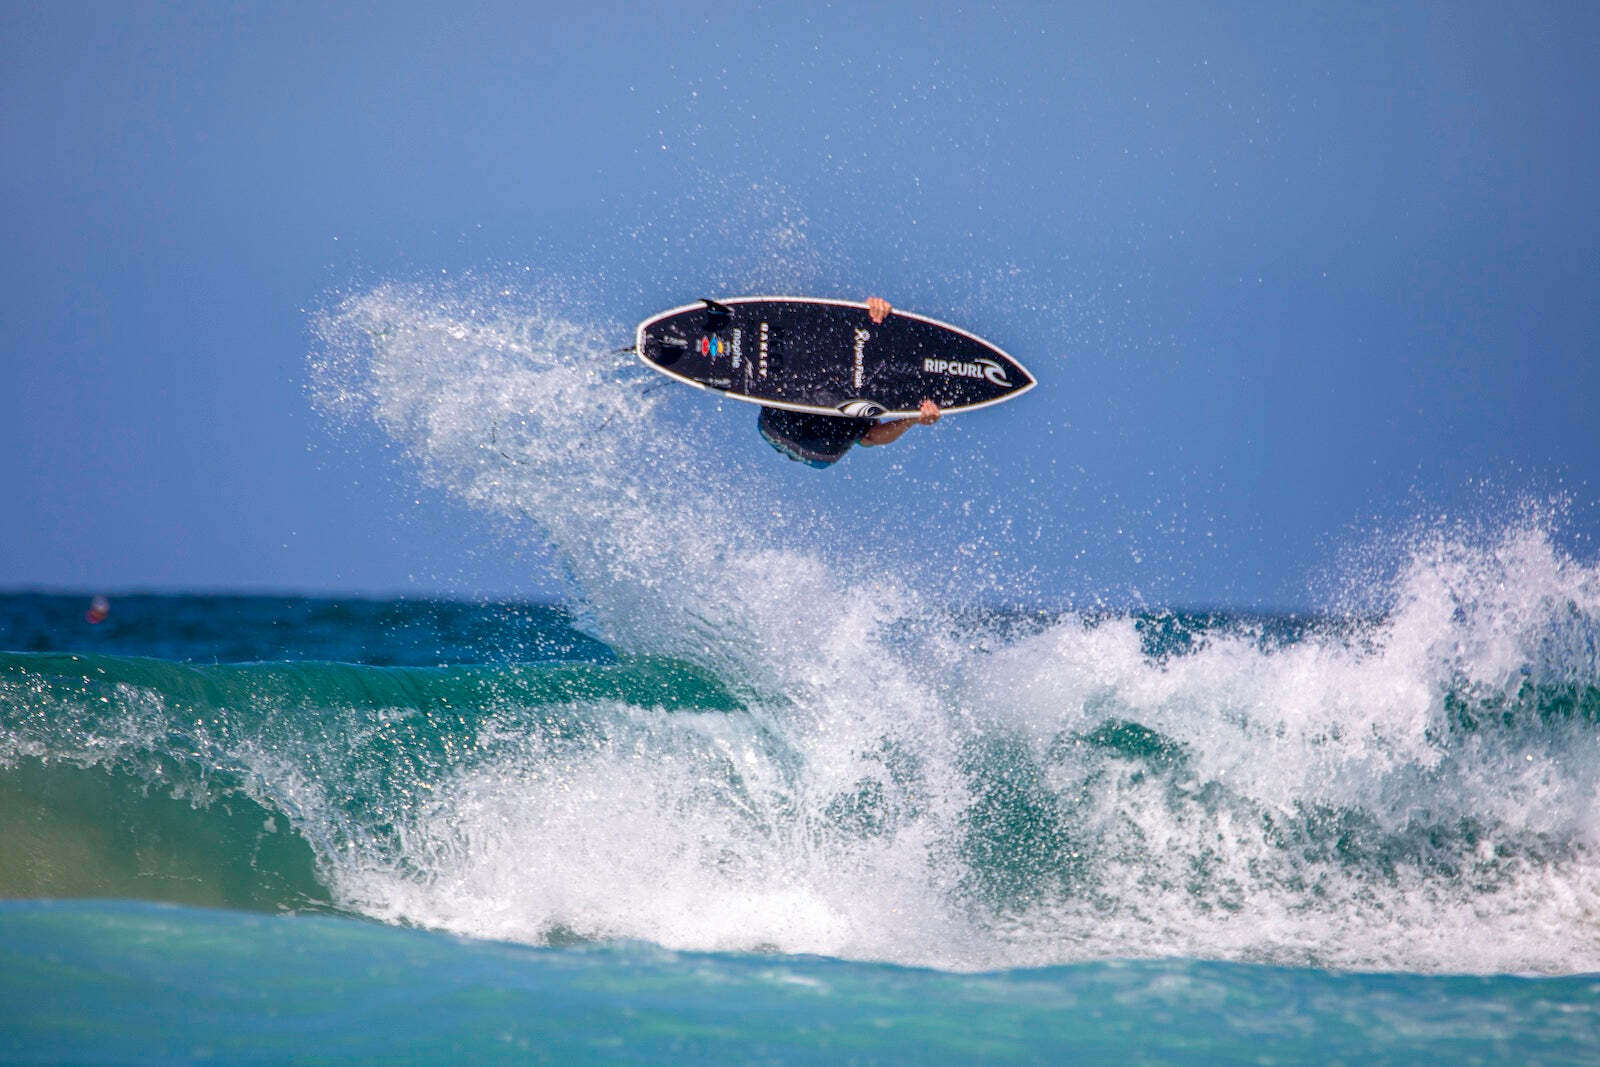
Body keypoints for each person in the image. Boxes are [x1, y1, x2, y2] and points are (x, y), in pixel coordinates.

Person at [757, 297, 942, 468]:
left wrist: (913, 418)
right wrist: (870, 310)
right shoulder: (871, 375)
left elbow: (871, 437)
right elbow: (872, 437)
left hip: (788, 430)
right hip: (816, 448)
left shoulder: (874, 394)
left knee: (853, 410)